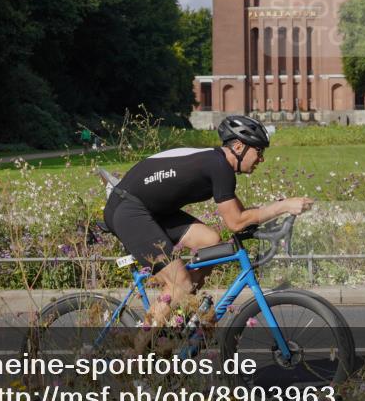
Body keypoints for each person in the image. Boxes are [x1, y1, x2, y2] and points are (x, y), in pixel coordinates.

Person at [102, 114, 314, 333]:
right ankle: (135, 356)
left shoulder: (217, 164)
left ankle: (180, 313)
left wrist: (273, 220)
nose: (261, 159)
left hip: (149, 210)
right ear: (239, 147)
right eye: (259, 151)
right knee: (180, 284)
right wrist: (284, 206)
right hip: (128, 209)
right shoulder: (219, 166)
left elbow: (241, 215)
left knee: (211, 242)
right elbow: (236, 222)